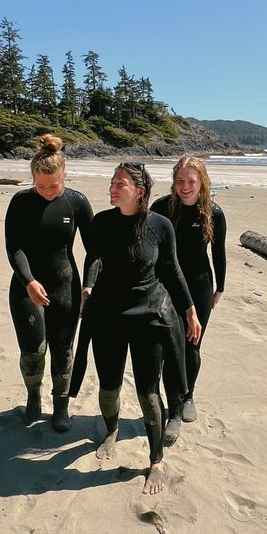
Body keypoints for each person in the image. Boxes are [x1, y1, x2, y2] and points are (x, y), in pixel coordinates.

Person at [78, 162, 201, 495]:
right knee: (108, 386)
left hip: (148, 314)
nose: (112, 189)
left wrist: (190, 309)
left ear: (140, 191)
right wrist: (88, 287)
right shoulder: (101, 222)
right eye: (112, 183)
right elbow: (94, 257)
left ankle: (156, 460)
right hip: (108, 314)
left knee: (149, 393)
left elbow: (172, 270)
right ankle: (111, 431)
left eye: (120, 184)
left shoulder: (159, 226)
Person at [4, 134, 94, 432]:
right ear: (32, 178)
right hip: (25, 286)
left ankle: (61, 405)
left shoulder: (76, 203)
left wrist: (89, 286)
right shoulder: (20, 202)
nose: (46, 192)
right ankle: (33, 395)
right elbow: (14, 248)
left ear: (65, 175)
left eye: (54, 185)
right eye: (39, 185)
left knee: (63, 349)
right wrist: (28, 281)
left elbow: (95, 251)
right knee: (33, 350)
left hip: (65, 285)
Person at [152, 155, 226, 433]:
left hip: (200, 286)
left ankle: (188, 397)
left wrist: (220, 287)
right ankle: (173, 411)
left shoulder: (213, 212)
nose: (185, 186)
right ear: (174, 182)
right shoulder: (161, 208)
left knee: (192, 345)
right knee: (170, 348)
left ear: (202, 183)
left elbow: (218, 253)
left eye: (191, 181)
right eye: (180, 181)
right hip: (167, 287)